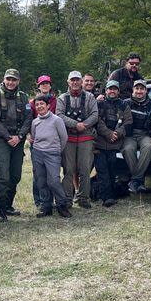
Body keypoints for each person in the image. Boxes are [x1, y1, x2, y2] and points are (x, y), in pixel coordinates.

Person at [0, 69, 33, 222]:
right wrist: (8, 137)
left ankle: (8, 205)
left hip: (18, 139)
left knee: (15, 175)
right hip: (1, 139)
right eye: (8, 79)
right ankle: (1, 210)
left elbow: (28, 118)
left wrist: (19, 137)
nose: (11, 82)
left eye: (14, 80)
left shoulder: (23, 97)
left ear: (18, 81)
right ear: (4, 79)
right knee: (4, 176)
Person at [56, 71, 98, 209]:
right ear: (68, 82)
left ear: (81, 82)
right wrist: (75, 124)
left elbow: (95, 114)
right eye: (72, 80)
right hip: (68, 138)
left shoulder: (90, 97)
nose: (75, 82)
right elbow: (59, 115)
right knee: (68, 169)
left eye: (77, 80)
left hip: (86, 136)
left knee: (85, 169)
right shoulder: (62, 98)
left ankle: (83, 198)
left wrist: (83, 125)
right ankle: (67, 198)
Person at [30, 95, 71, 218]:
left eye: (42, 104)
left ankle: (62, 205)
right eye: (37, 105)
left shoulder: (56, 120)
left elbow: (64, 138)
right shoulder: (35, 122)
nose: (39, 106)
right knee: (41, 180)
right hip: (37, 153)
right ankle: (46, 206)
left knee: (53, 181)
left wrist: (56, 150)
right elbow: (34, 136)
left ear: (48, 105)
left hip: (52, 153)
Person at [94, 80, 132, 207]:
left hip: (116, 144)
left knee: (112, 169)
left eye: (115, 89)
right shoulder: (99, 104)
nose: (112, 91)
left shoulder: (124, 105)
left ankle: (112, 194)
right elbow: (97, 121)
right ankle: (107, 197)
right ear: (106, 91)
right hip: (100, 143)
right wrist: (107, 133)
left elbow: (128, 123)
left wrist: (117, 134)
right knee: (102, 169)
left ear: (118, 91)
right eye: (110, 89)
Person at [122, 79, 151, 194]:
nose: (139, 91)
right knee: (128, 149)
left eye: (142, 89)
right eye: (137, 88)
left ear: (146, 91)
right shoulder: (125, 103)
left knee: (148, 147)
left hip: (145, 134)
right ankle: (139, 180)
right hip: (129, 135)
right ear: (133, 90)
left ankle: (135, 180)